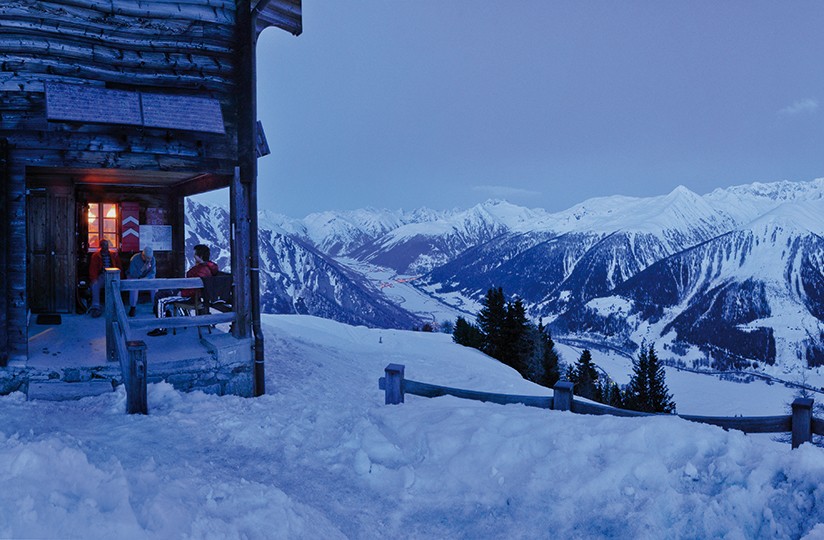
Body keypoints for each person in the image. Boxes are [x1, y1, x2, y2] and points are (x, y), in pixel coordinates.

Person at [148, 244, 218, 336]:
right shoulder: (204, 267)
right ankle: (165, 317)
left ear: (200, 256)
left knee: (160, 299)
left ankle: (161, 328)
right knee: (163, 293)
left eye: (195, 254)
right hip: (188, 293)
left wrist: (182, 293)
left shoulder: (202, 270)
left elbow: (195, 288)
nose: (193, 256)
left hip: (188, 297)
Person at [88, 238, 122, 318]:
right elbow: (93, 269)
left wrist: (120, 276)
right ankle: (96, 307)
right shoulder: (96, 256)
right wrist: (94, 279)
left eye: (106, 245)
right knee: (95, 285)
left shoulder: (114, 255)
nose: (105, 247)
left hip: (113, 275)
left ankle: (116, 306)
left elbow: (119, 267)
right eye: (103, 245)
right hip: (102, 275)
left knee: (116, 285)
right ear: (101, 246)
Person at [126, 246, 156, 317]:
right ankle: (133, 307)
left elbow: (153, 272)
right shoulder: (135, 259)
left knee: (155, 286)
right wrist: (142, 269)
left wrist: (146, 278)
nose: (149, 260)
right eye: (148, 258)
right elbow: (133, 273)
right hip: (135, 277)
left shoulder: (152, 259)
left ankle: (155, 306)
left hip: (145, 277)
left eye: (150, 258)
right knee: (134, 286)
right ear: (143, 256)